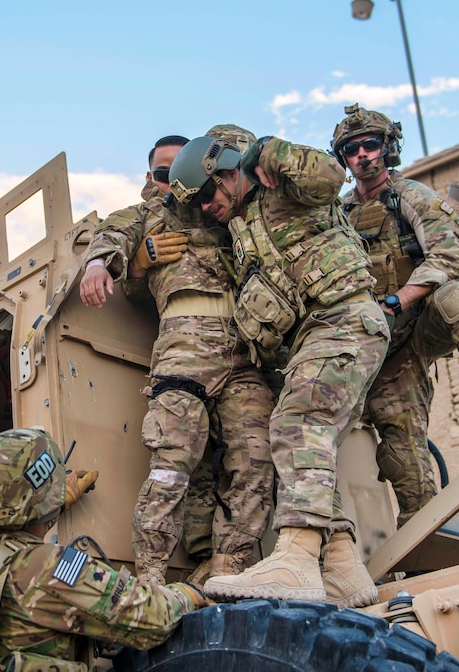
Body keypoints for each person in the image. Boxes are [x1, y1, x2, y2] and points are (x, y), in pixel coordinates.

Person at [167, 134, 388, 607]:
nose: (207, 207)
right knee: (305, 451)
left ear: (228, 169)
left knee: (297, 425)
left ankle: (296, 558)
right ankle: (343, 567)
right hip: (321, 333)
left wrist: (265, 150)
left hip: (343, 318)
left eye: (208, 194)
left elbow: (330, 176)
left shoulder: (283, 189)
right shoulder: (244, 232)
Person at [79, 128, 275, 589]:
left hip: (245, 348)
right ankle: (149, 577)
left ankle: (227, 567)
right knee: (171, 461)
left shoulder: (228, 209)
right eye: (164, 174)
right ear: (151, 176)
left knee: (257, 457)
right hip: (185, 345)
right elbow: (113, 232)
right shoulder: (150, 213)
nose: (174, 184)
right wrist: (101, 265)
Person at [333, 104, 459, 526]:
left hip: (420, 323)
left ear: (387, 149)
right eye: (352, 149)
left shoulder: (413, 197)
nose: (363, 154)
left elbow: (448, 256)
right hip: (381, 346)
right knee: (403, 456)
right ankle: (424, 543)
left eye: (370, 144)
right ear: (343, 159)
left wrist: (399, 300)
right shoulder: (339, 216)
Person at [0, 428, 206, 671]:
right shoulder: (49, 567)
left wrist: (51, 502)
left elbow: (8, 529)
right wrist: (190, 594)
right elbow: (153, 619)